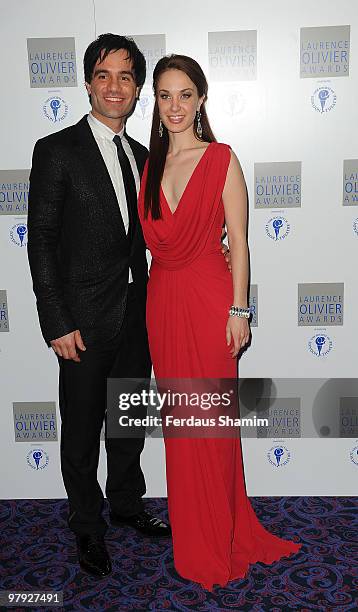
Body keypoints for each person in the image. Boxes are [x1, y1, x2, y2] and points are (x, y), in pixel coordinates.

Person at [138, 54, 302, 591]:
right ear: (155, 103)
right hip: (163, 302)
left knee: (211, 425)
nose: (176, 106)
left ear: (202, 98)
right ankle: (196, 535)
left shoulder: (222, 160)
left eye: (186, 94)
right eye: (165, 95)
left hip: (211, 303)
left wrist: (240, 309)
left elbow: (241, 242)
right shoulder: (148, 167)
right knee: (183, 428)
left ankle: (225, 533)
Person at [27, 33, 172, 579]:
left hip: (138, 316)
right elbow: (39, 239)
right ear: (88, 82)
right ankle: (87, 527)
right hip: (81, 324)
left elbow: (155, 233)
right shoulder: (56, 150)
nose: (115, 86)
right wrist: (56, 321)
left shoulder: (143, 156)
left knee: (127, 422)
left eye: (127, 77)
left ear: (137, 90)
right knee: (83, 431)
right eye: (104, 75)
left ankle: (129, 506)